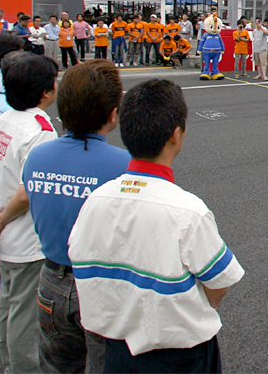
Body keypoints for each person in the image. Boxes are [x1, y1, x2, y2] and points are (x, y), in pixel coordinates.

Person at [68, 79, 244, 373]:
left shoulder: (95, 200)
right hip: (179, 356)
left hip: (115, 350)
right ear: (176, 134)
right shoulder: (188, 211)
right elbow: (219, 282)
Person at [23, 59, 131, 372]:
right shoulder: (125, 166)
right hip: (101, 281)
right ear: (113, 114)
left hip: (52, 279)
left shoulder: (37, 157)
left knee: (58, 365)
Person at [0, 53, 59, 373]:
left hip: (2, 234)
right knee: (26, 318)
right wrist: (1, 217)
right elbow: (28, 191)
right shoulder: (40, 131)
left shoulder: (2, 120)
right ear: (46, 92)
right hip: (25, 239)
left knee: (8, 306)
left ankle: (9, 362)